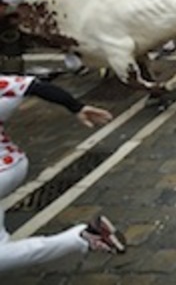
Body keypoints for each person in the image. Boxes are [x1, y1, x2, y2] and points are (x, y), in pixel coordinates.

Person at [0, 74, 125, 273]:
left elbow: (36, 86)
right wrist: (76, 107)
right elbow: (35, 86)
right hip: (12, 164)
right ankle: (84, 236)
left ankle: (82, 238)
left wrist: (77, 107)